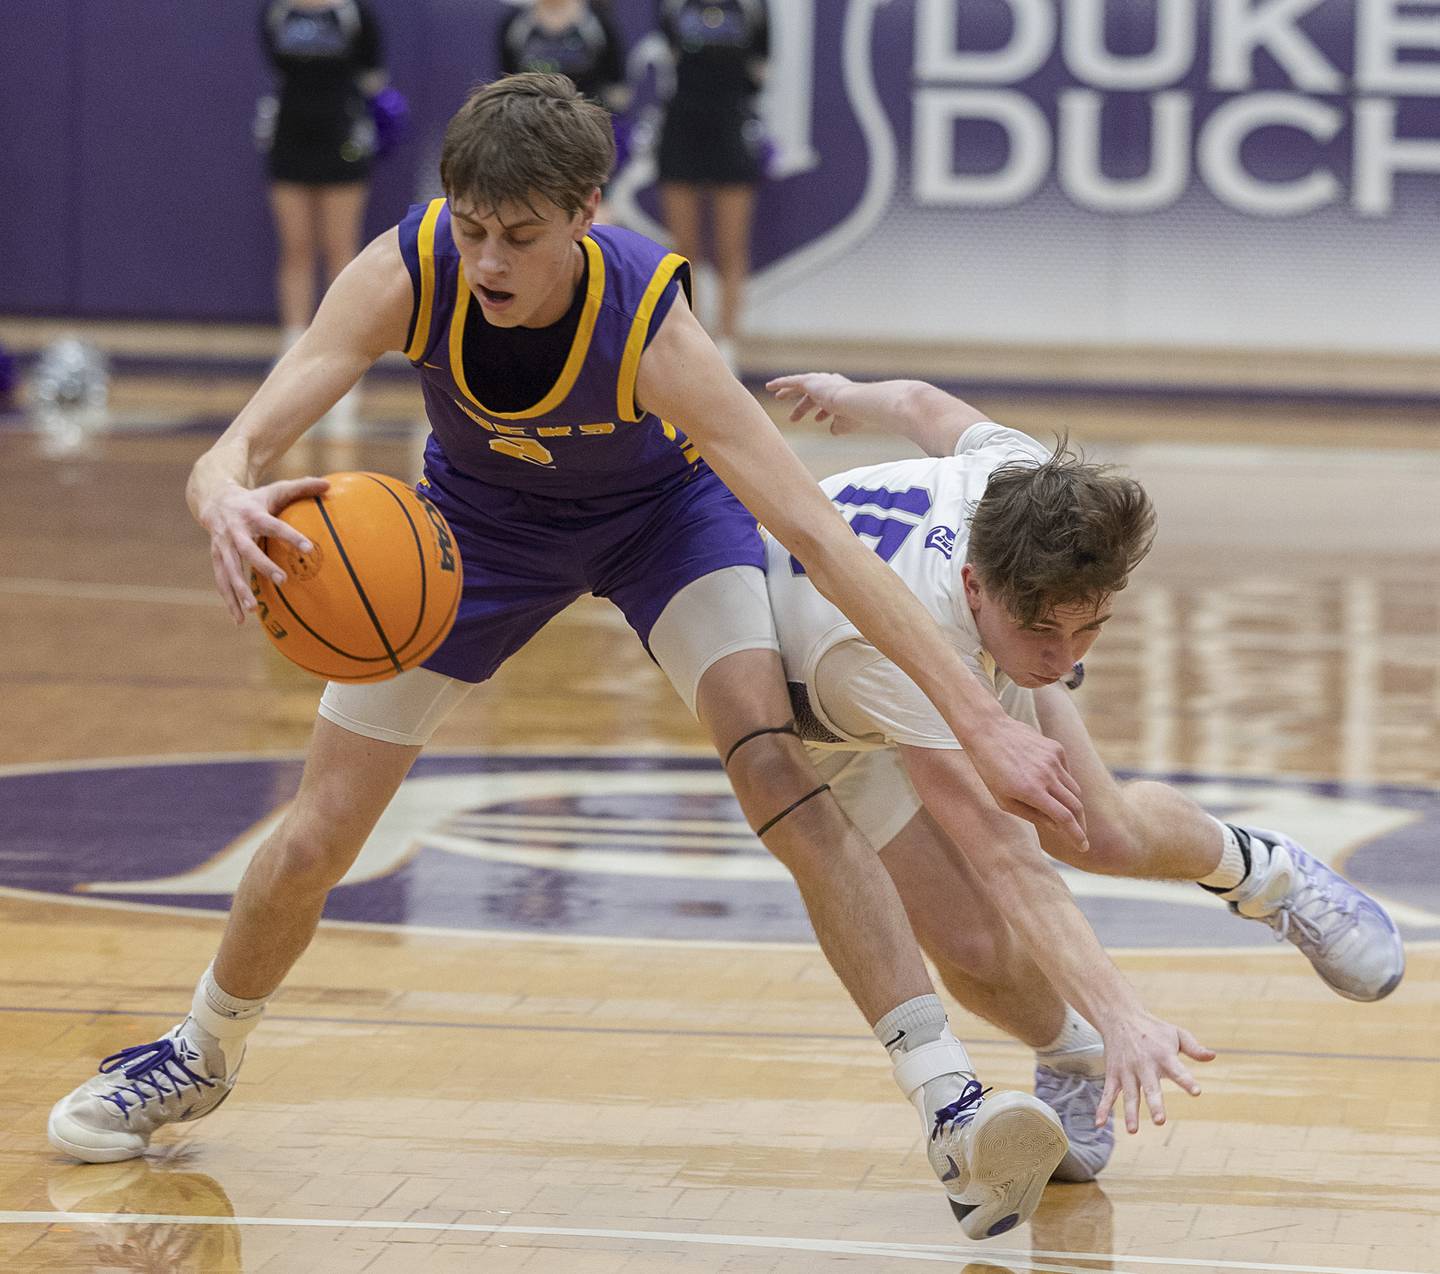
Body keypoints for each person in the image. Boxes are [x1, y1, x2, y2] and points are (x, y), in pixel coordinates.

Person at [48, 73, 1109, 1240]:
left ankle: (951, 1104)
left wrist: (983, 721)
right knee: (317, 832)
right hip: (475, 533)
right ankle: (199, 1051)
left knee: (776, 766)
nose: (487, 260)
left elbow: (814, 530)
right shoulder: (410, 269)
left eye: (520, 236)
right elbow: (243, 438)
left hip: (664, 524)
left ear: (586, 215)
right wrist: (220, 493)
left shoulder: (652, 327)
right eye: (472, 228)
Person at [762, 371, 1408, 1185]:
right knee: (970, 943)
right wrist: (1121, 1018)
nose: (1065, 659)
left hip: (933, 650)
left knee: (1100, 835)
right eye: (1045, 630)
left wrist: (847, 392)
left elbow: (922, 406)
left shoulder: (1019, 483)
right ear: (976, 585)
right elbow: (1007, 861)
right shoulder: (903, 646)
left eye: (1090, 627)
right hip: (848, 695)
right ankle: (1075, 1054)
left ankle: (1267, 872)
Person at [257, 0, 390, 430]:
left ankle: (342, 359)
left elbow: (373, 78)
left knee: (340, 251)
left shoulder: (354, 15)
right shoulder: (278, 12)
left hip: (341, 136)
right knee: (295, 248)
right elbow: (277, 65)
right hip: (290, 136)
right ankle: (292, 352)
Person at [655, 0, 768, 370]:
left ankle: (728, 344)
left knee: (731, 246)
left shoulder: (752, 7)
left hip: (731, 125)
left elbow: (761, 67)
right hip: (682, 127)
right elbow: (670, 55)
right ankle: (690, 342)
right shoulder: (673, 5)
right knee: (684, 247)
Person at [499, 0, 632, 222]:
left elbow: (617, 87)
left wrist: (610, 142)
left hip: (587, 138)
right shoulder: (515, 25)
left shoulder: (596, 22)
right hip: (530, 138)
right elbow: (506, 85)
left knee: (592, 215)